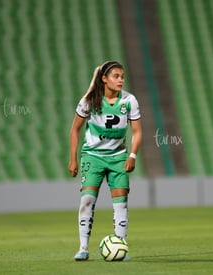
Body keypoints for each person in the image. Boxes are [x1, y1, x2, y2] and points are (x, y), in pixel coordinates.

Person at [68, 61, 142, 261]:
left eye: (122, 76)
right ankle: (83, 248)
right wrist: (73, 158)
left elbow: (137, 131)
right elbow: (74, 129)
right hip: (93, 156)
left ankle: (121, 246)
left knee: (121, 203)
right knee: (87, 200)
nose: (121, 80)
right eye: (116, 76)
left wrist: (132, 155)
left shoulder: (129, 100)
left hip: (117, 157)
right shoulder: (89, 101)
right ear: (104, 79)